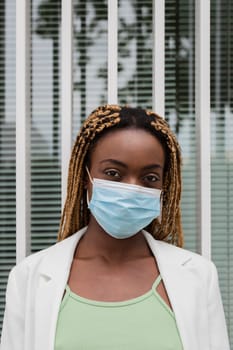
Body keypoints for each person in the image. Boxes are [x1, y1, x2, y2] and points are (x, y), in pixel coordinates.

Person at [1, 104, 230, 350]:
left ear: (165, 186)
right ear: (84, 177)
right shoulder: (28, 278)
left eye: (149, 178)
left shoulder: (199, 276)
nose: (132, 187)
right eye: (113, 173)